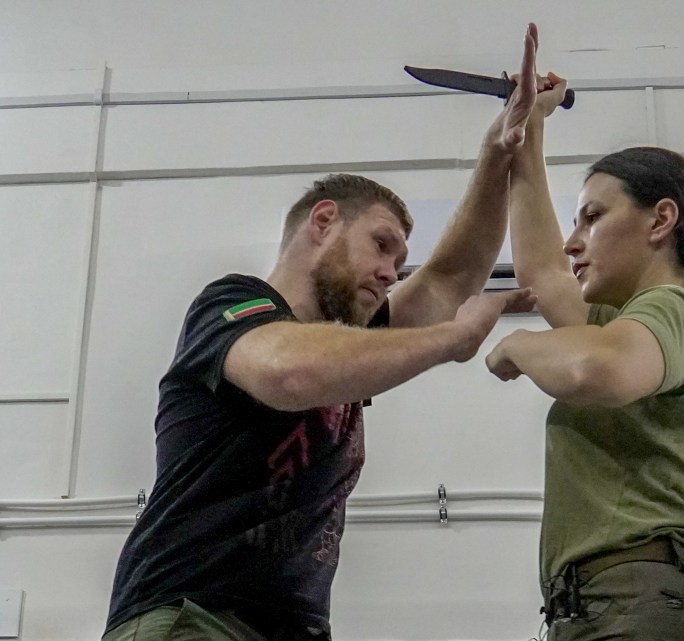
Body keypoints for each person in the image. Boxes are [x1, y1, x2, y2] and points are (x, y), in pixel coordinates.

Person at [101, 25, 544, 641]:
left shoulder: (350, 339)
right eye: (381, 245)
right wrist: (451, 342)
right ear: (324, 221)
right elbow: (290, 373)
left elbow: (450, 278)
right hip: (192, 616)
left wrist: (504, 145)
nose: (392, 272)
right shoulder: (233, 304)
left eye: (398, 258)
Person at [485, 71, 684, 640]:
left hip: (634, 608)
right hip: (606, 608)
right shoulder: (623, 325)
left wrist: (520, 345)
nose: (575, 241)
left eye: (593, 217)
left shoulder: (674, 309)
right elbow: (544, 269)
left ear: (660, 221)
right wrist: (530, 125)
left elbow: (599, 370)